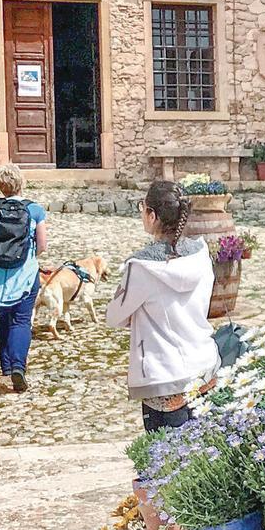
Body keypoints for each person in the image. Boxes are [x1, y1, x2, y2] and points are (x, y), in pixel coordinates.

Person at [107, 180, 219, 431]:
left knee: (166, 453)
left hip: (164, 375)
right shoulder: (201, 253)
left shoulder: (141, 268)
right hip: (203, 364)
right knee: (206, 447)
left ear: (152, 215)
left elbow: (114, 316)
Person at [0, 164, 48, 393]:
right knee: (22, 320)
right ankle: (18, 366)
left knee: (4, 317)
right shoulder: (35, 210)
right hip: (25, 273)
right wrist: (28, 258)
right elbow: (42, 245)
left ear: (0, 186)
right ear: (21, 182)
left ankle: (6, 367)